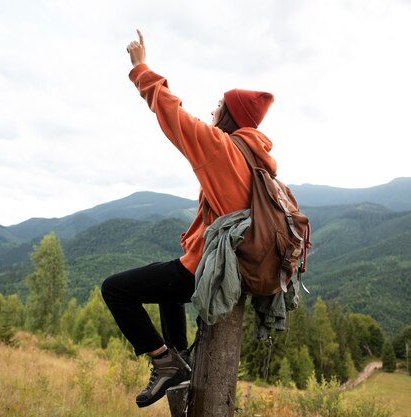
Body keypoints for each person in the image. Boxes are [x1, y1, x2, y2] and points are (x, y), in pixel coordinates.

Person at [101, 29, 278, 408]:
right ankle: (179, 357)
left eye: (218, 106)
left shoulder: (224, 149)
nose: (212, 111)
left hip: (211, 270)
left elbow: (173, 114)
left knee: (115, 289)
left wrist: (141, 68)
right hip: (230, 266)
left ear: (230, 115)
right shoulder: (254, 158)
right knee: (170, 276)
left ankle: (164, 360)